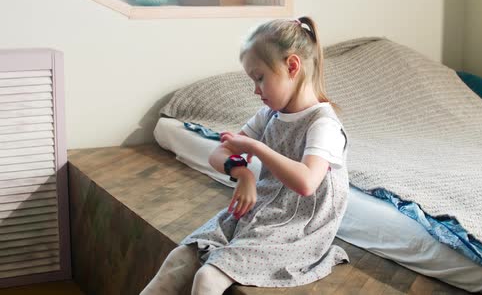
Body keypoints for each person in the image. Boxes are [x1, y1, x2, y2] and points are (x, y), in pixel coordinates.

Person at [141, 16, 349, 295]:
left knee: (207, 278)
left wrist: (256, 148)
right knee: (179, 259)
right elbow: (221, 151)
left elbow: (307, 182)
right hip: (262, 211)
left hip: (297, 228)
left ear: (292, 66)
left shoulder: (323, 124)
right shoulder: (270, 115)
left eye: (260, 78)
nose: (255, 90)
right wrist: (243, 174)